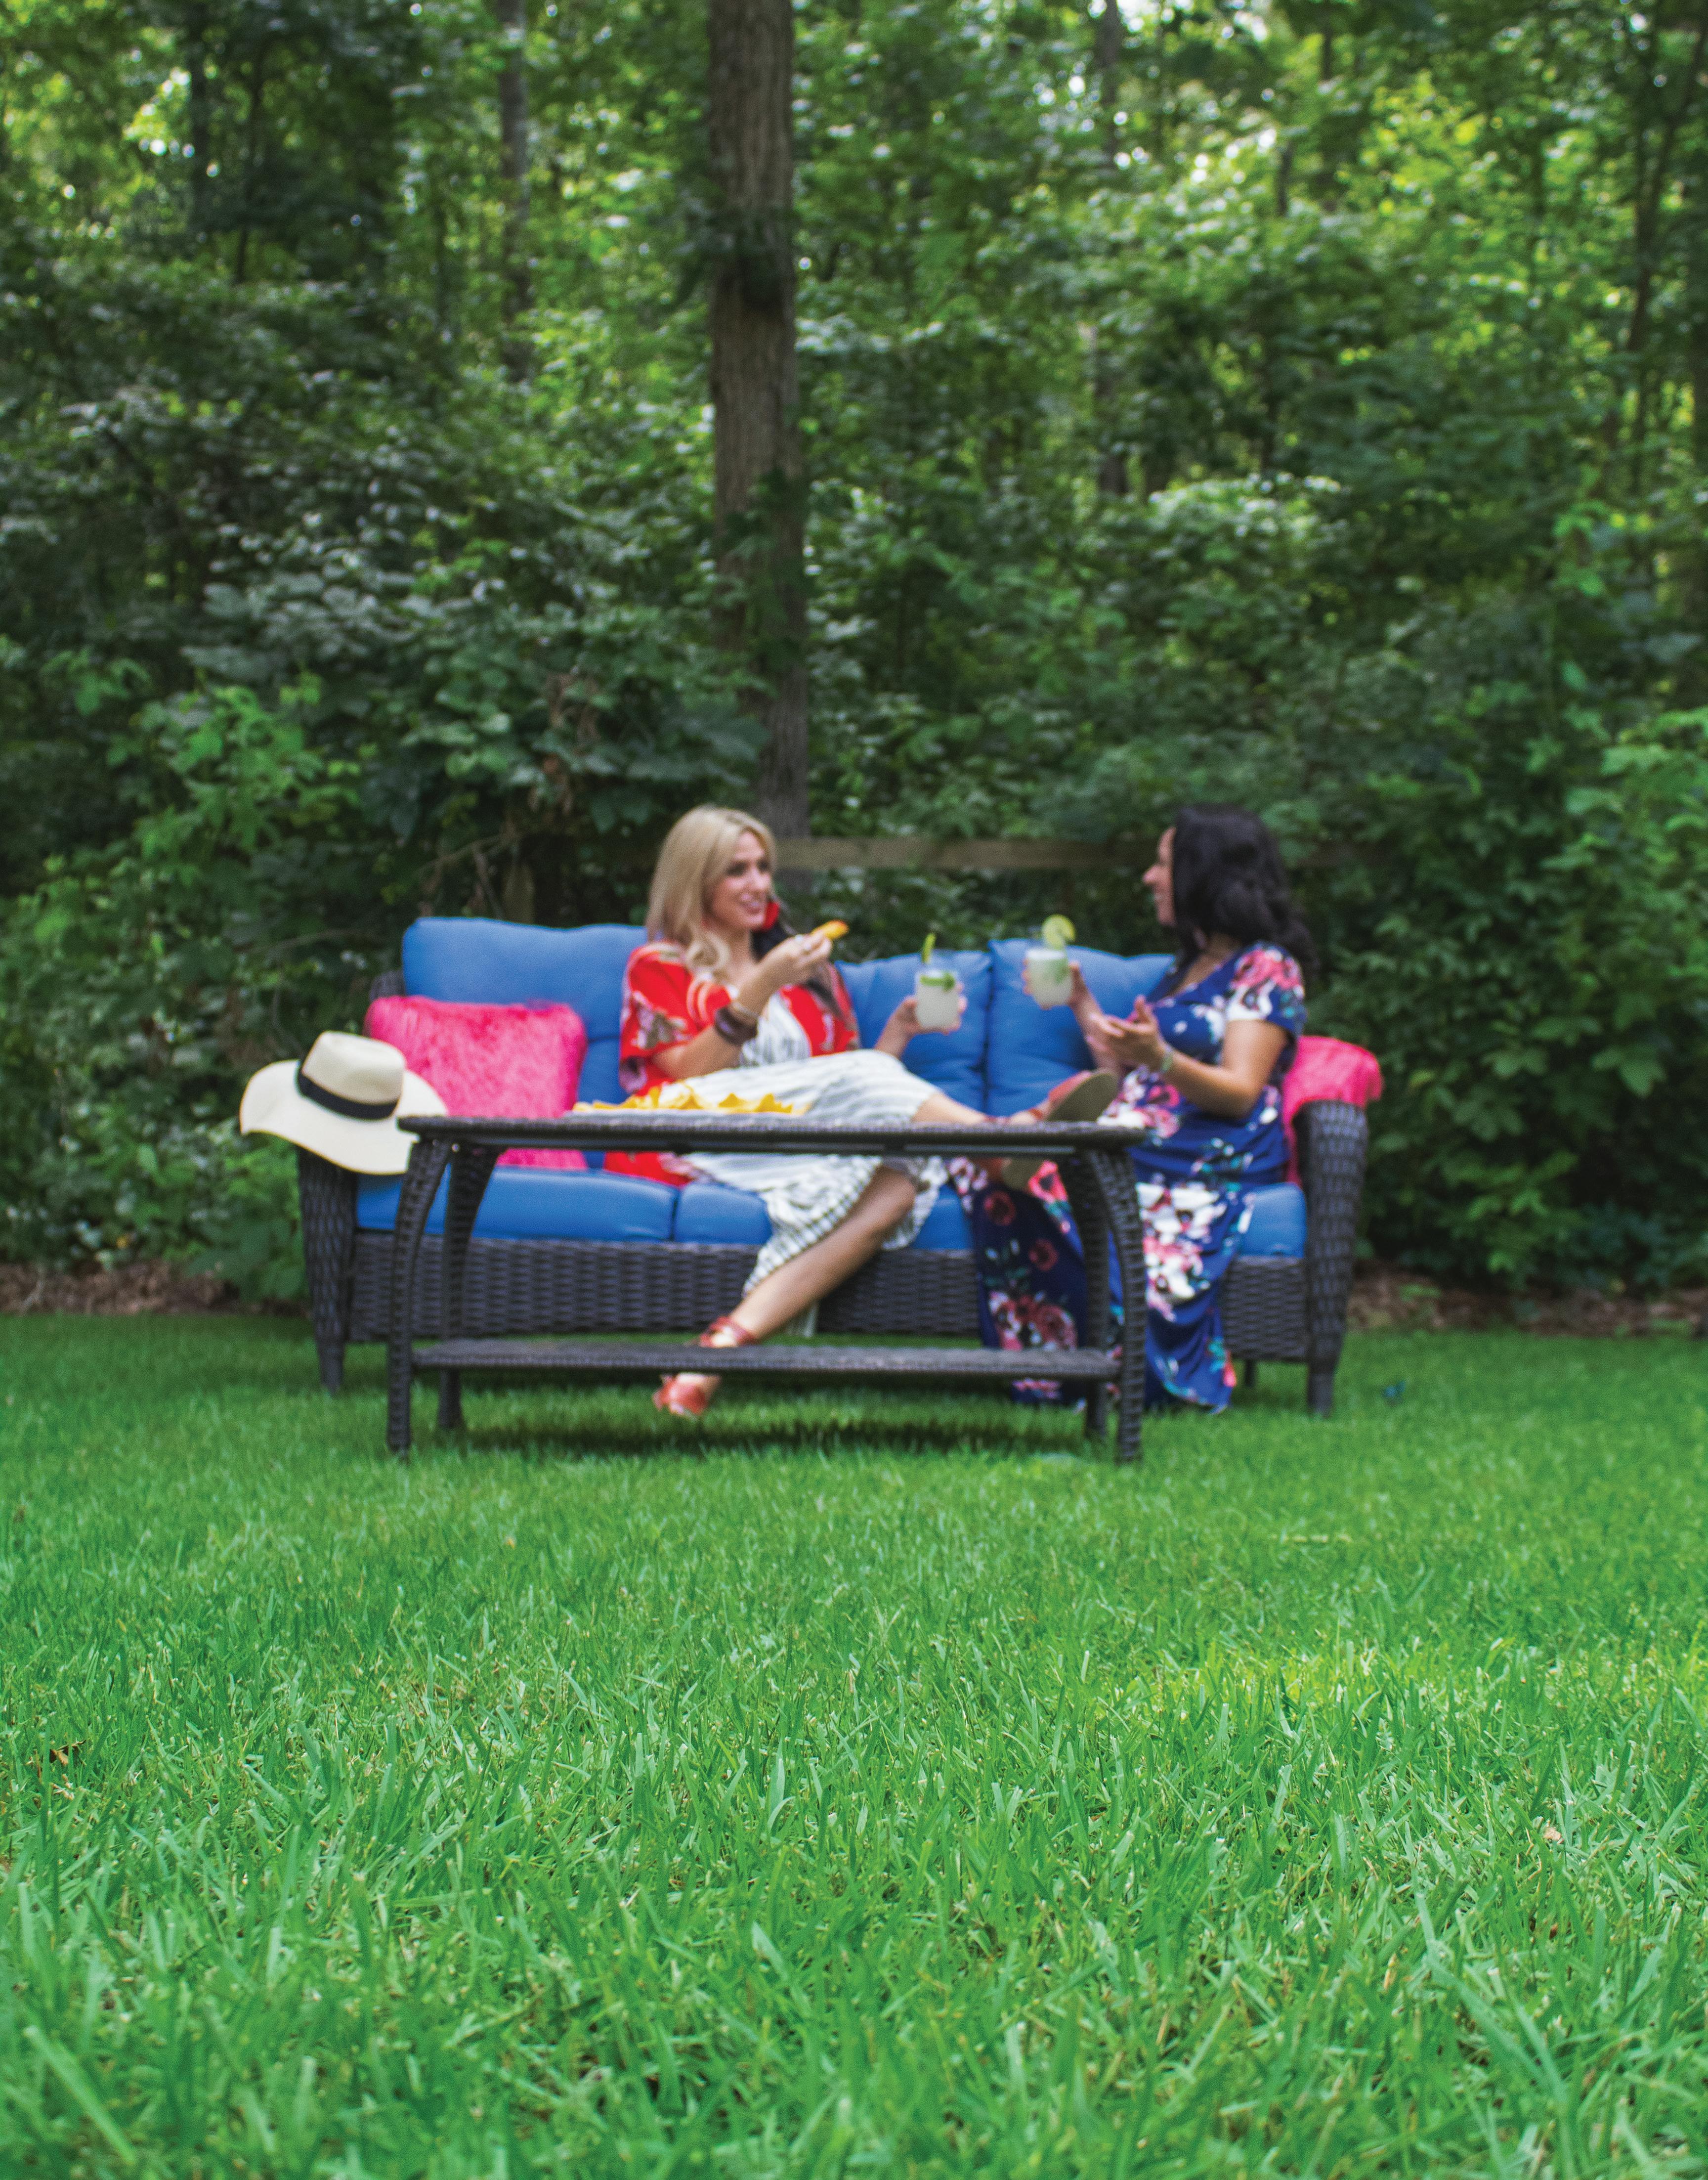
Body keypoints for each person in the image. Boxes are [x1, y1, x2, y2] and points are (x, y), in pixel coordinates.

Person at [611, 806, 1115, 1415]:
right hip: (697, 1133)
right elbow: (686, 1078)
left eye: (765, 867)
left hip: (790, 1139)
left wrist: (898, 1033)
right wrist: (761, 984)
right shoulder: (662, 967)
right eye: (737, 871)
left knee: (898, 1184)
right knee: (873, 1094)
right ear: (695, 880)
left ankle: (714, 1354)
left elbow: (848, 1095)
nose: (759, 884)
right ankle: (1003, 1140)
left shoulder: (812, 977)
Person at [954, 804, 1312, 1412]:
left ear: (1204, 872)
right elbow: (1127, 1068)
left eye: (1163, 864)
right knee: (995, 1183)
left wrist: (1162, 1058)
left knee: (1026, 1170)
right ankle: (1023, 1155)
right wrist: (1082, 1002)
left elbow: (1240, 1090)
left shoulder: (1267, 967)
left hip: (1203, 1153)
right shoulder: (1186, 969)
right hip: (1142, 1130)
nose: (1150, 877)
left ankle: (1015, 1146)